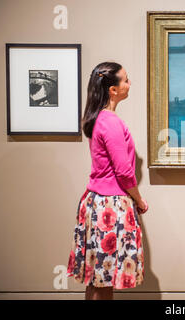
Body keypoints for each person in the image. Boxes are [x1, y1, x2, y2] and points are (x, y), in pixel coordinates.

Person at [66, 62, 149, 300]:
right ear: (113, 90)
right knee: (104, 279)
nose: (129, 83)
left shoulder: (98, 119)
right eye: (125, 80)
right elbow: (123, 171)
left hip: (97, 203)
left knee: (97, 278)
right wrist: (139, 200)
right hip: (109, 208)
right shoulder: (110, 121)